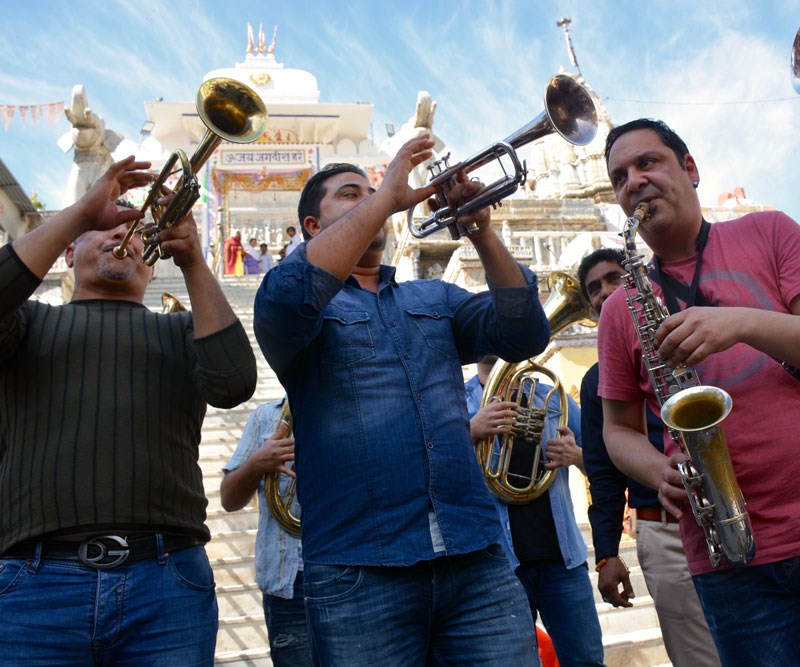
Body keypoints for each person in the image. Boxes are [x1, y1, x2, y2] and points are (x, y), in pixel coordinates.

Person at [253, 135, 551, 665]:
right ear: (313, 229)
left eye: (373, 191)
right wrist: (385, 199)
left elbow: (525, 333)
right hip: (358, 571)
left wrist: (481, 229)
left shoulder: (432, 296)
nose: (373, 198)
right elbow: (289, 300)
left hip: (476, 557)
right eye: (352, 194)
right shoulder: (291, 298)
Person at [0, 156, 258, 664]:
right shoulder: (25, 321)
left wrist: (195, 262)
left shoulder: (182, 329)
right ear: (69, 251)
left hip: (166, 583)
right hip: (34, 585)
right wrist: (79, 212)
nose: (123, 233)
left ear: (151, 260)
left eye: (136, 231)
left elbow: (233, 385)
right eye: (104, 227)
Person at [597, 118, 800, 665]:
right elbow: (617, 430)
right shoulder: (620, 307)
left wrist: (739, 323)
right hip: (727, 554)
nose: (633, 182)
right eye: (619, 178)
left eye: (648, 163)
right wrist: (654, 469)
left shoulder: (771, 231)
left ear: (690, 169)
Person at [577, 247, 720, 667]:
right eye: (594, 289)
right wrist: (606, 553)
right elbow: (604, 474)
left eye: (614, 279)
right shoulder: (594, 381)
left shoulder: (693, 333)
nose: (605, 292)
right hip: (664, 531)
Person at [465, 356, 605, 667]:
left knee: (587, 662)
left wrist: (577, 455)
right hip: (499, 567)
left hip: (563, 561)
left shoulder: (553, 396)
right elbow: (434, 470)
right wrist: (471, 431)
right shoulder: (457, 402)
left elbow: (605, 464)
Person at [220, 397, 313, 667]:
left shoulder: (352, 409)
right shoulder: (264, 417)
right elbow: (229, 499)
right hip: (288, 587)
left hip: (349, 573)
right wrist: (256, 464)